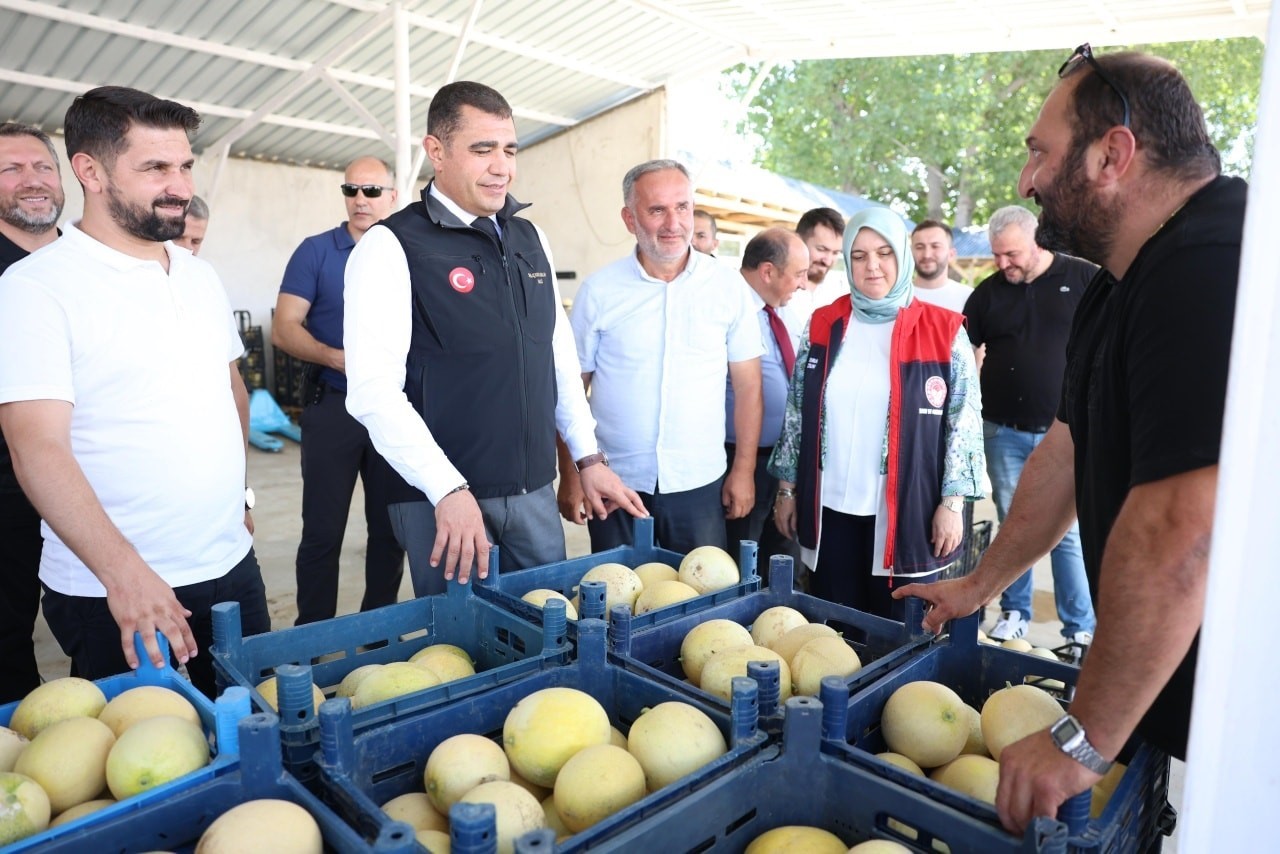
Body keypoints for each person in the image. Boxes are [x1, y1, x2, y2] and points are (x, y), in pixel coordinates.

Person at [896, 45, 1244, 834]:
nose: (1025, 182)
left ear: (1112, 154)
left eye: (1039, 154)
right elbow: (1067, 448)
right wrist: (980, 584)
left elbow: (1182, 531)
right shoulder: (1121, 279)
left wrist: (1083, 741)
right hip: (1169, 700)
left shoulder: (1210, 262)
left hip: (1247, 716)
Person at [0, 86, 270, 698]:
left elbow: (230, 392)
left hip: (230, 565)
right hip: (118, 591)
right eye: (154, 168)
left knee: (255, 731)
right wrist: (124, 576)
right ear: (90, 172)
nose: (178, 185)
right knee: (156, 768)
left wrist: (242, 495)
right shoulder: (37, 287)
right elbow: (36, 447)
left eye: (184, 165)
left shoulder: (199, 275)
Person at [344, 81, 643, 595]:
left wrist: (588, 457)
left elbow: (557, 359)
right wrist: (447, 489)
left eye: (509, 149)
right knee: (464, 653)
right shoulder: (391, 246)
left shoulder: (531, 239)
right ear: (436, 151)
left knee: (548, 638)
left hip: (531, 491)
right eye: (482, 150)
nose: (501, 166)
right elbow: (372, 392)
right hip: (441, 500)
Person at [770, 207, 984, 620]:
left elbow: (964, 421)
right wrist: (786, 490)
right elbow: (797, 412)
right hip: (830, 510)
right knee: (832, 633)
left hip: (907, 512)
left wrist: (952, 504)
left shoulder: (943, 330)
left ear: (901, 257)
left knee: (896, 636)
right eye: (860, 255)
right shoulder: (823, 323)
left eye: (884, 253)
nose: (872, 267)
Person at [562, 159, 764, 554]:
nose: (674, 223)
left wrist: (744, 470)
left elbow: (749, 387)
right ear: (629, 218)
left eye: (682, 207)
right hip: (613, 483)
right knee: (615, 601)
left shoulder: (727, 286)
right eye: (657, 210)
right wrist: (571, 475)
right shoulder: (600, 291)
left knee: (701, 600)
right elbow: (570, 390)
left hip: (700, 483)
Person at [272, 157, 406, 624]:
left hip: (394, 409)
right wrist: (338, 358)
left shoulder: (410, 250)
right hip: (333, 405)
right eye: (352, 190)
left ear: (394, 195)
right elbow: (284, 328)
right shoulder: (316, 251)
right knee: (322, 533)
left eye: (372, 191)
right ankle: (311, 636)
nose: (360, 200)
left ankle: (377, 633)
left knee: (390, 533)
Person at [964, 205, 1097, 644]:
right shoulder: (986, 294)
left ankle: (1079, 628)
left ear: (1038, 240)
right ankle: (1015, 611)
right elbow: (965, 356)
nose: (1004, 264)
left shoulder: (1084, 278)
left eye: (1012, 254)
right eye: (997, 255)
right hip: (1003, 432)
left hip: (1068, 433)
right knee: (1012, 523)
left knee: (1067, 532)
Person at [0, 122, 65, 702]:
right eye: (11, 170)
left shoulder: (90, 260)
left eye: (42, 167)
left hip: (97, 476)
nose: (32, 181)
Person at [724, 228, 808, 569]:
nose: (803, 284)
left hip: (785, 463)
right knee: (741, 561)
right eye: (799, 274)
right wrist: (742, 470)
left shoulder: (785, 310)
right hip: (743, 461)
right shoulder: (727, 306)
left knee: (781, 560)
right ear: (768, 271)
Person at [777, 206, 845, 336]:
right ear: (797, 240)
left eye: (836, 253)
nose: (828, 260)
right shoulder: (775, 287)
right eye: (821, 249)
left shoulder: (840, 291)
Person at [910, 219, 972, 313]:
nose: (927, 255)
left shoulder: (969, 298)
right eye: (919, 247)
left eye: (935, 246)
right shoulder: (896, 298)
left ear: (951, 254)